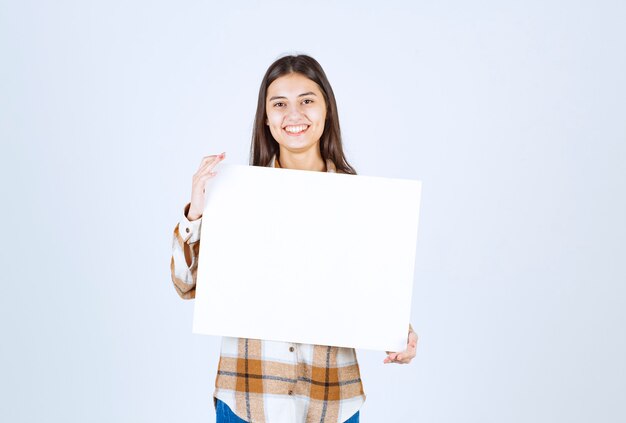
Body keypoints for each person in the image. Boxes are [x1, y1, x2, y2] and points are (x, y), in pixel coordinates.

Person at [170, 54, 418, 423]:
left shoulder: (364, 202)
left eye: (307, 100)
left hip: (330, 399)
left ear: (326, 111)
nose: (294, 114)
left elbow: (372, 295)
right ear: (266, 119)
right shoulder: (233, 194)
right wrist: (197, 212)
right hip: (248, 397)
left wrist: (399, 332)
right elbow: (185, 285)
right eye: (279, 104)